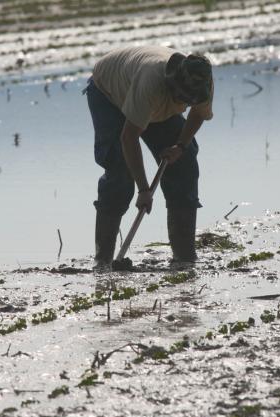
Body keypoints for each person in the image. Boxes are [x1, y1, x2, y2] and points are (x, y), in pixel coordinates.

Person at [85, 45, 214, 269]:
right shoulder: (152, 84)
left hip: (153, 104)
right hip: (109, 93)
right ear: (172, 85)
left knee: (183, 164)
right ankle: (103, 260)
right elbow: (129, 138)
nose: (185, 103)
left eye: (189, 100)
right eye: (182, 98)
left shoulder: (202, 82)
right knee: (120, 174)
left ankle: (184, 258)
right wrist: (144, 189)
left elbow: (198, 114)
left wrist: (180, 146)